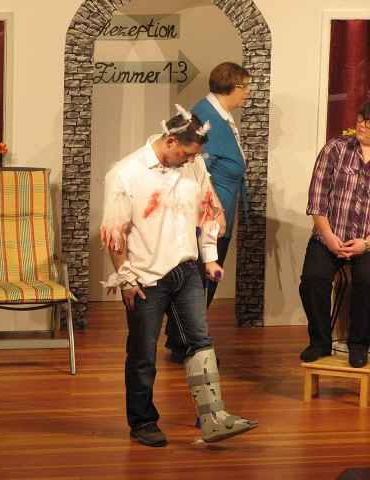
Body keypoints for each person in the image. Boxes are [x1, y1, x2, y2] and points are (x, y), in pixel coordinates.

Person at [100, 105, 259, 447]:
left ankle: (214, 418)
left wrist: (210, 259)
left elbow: (208, 212)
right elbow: (115, 233)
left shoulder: (194, 164)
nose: (191, 160)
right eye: (187, 154)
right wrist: (126, 278)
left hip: (187, 270)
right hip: (146, 277)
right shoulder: (127, 174)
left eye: (195, 155)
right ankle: (143, 422)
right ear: (171, 141)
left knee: (200, 342)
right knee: (143, 354)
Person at [164, 61, 251, 364]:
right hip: (207, 215)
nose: (247, 92)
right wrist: (213, 209)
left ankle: (183, 340)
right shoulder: (205, 117)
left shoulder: (220, 115)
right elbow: (197, 168)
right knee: (201, 278)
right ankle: (186, 344)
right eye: (244, 86)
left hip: (218, 211)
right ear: (230, 86)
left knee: (206, 275)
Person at [299, 99, 370, 369]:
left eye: (369, 122)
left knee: (367, 280)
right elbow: (317, 200)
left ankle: (359, 344)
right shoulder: (335, 148)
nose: (362, 124)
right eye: (360, 117)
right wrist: (329, 237)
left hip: (366, 242)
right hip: (329, 236)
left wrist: (366, 243)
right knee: (312, 279)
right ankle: (320, 341)